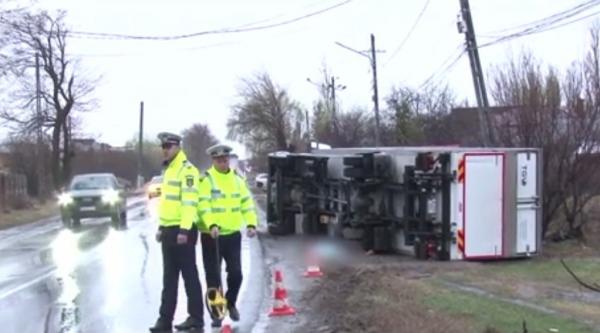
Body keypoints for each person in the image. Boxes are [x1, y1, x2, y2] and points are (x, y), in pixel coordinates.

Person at [197, 143, 257, 328]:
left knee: (236, 274)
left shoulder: (238, 180)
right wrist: (212, 224)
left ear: (228, 160)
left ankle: (230, 302)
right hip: (211, 236)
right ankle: (217, 313)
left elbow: (247, 204)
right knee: (214, 277)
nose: (222, 163)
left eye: (225, 159)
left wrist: (251, 223)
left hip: (232, 235)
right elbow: (203, 206)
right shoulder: (206, 180)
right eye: (218, 160)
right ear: (213, 160)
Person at [150, 132, 204, 333]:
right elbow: (166, 204)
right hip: (168, 231)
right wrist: (161, 228)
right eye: (163, 147)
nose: (165, 150)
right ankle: (164, 321)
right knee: (169, 279)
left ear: (178, 147)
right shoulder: (169, 171)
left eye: (168, 146)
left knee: (190, 276)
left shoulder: (187, 171)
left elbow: (189, 203)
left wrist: (184, 229)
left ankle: (196, 318)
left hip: (183, 231)